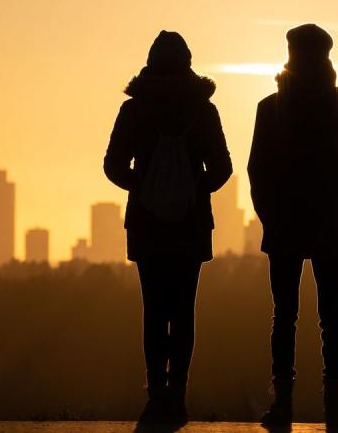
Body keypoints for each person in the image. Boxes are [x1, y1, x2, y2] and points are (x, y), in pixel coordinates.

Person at [104, 30, 232, 424]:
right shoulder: (203, 110)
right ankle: (179, 391)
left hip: (146, 225)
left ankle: (155, 390)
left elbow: (112, 166)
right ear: (188, 63)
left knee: (154, 310)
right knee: (184, 310)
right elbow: (223, 168)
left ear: (151, 62)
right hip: (191, 226)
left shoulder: (134, 109)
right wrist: (194, 190)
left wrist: (142, 188)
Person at [247, 24, 338, 428]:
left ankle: (283, 405)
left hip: (285, 227)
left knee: (285, 316)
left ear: (290, 54)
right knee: (331, 316)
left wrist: (270, 217)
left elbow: (256, 170)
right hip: (328, 229)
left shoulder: (270, 107)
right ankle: (333, 405)